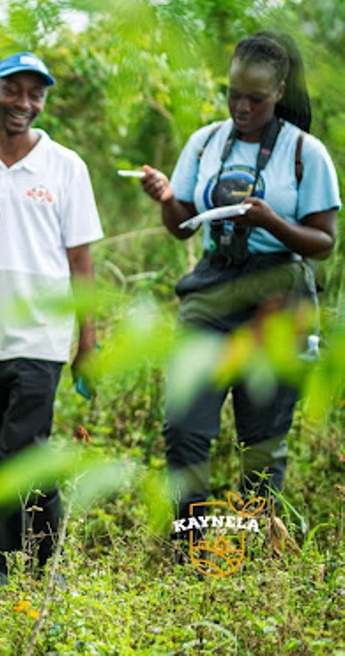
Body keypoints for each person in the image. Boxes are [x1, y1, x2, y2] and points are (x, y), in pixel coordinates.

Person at [139, 31, 339, 553]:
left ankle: (251, 554)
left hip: (278, 293)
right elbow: (183, 226)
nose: (242, 107)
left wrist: (273, 220)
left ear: (279, 92)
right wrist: (165, 197)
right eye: (234, 95)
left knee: (261, 438)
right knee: (185, 429)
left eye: (255, 98)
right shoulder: (205, 142)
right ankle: (192, 548)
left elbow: (323, 242)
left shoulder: (304, 152)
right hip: (212, 288)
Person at [0, 52, 103, 585]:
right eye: (14, 90)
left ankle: (42, 567)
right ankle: (11, 568)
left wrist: (87, 341)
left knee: (16, 451)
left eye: (35, 94)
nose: (24, 103)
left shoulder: (65, 166)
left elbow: (81, 261)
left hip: (40, 339)